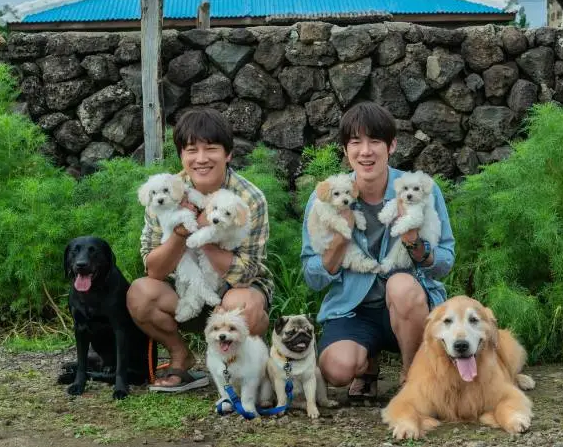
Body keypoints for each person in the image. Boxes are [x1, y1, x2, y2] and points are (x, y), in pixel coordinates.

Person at [301, 101, 455, 399]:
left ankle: (413, 376)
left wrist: (413, 241)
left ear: (391, 145)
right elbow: (313, 277)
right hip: (353, 309)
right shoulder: (326, 198)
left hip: (409, 307)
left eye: (374, 141)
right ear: (345, 150)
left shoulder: (419, 189)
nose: (365, 151)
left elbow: (445, 262)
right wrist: (341, 238)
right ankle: (368, 365)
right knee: (336, 370)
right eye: (355, 142)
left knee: (400, 285)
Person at [127, 107, 273, 392]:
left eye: (211, 149)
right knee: (140, 293)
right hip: (185, 287)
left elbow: (246, 274)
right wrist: (182, 233)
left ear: (228, 154)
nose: (201, 158)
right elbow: (154, 270)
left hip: (234, 288)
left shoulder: (249, 197)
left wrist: (205, 232)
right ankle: (180, 355)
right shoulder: (164, 191)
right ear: (181, 155)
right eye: (192, 150)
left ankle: (236, 368)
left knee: (245, 307)